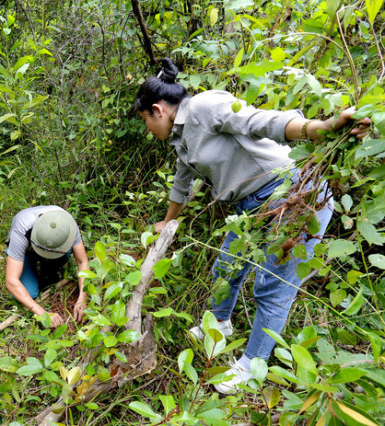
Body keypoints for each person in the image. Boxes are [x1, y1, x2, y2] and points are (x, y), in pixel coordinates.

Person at [135, 58, 371, 394]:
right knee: (226, 266)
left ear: (158, 110)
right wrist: (167, 221)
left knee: (272, 287)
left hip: (293, 193)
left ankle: (250, 367)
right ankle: (219, 325)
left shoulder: (205, 107)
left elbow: (262, 122)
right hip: (251, 205)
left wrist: (325, 126)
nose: (147, 130)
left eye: (145, 121)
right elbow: (182, 184)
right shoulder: (181, 137)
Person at [5, 206, 89, 328]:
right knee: (28, 293)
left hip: (52, 245)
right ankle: (28, 262)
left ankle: (47, 271)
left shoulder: (68, 225)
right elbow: (12, 281)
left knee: (63, 258)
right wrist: (43, 314)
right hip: (26, 251)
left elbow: (82, 262)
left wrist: (83, 297)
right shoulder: (21, 229)